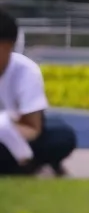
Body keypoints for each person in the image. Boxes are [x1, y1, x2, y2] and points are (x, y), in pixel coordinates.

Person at [0, 12, 75, 177]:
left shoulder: (26, 71)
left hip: (17, 137)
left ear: (9, 46)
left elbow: (33, 130)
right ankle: (29, 167)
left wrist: (8, 128)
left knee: (62, 137)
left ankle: (28, 165)